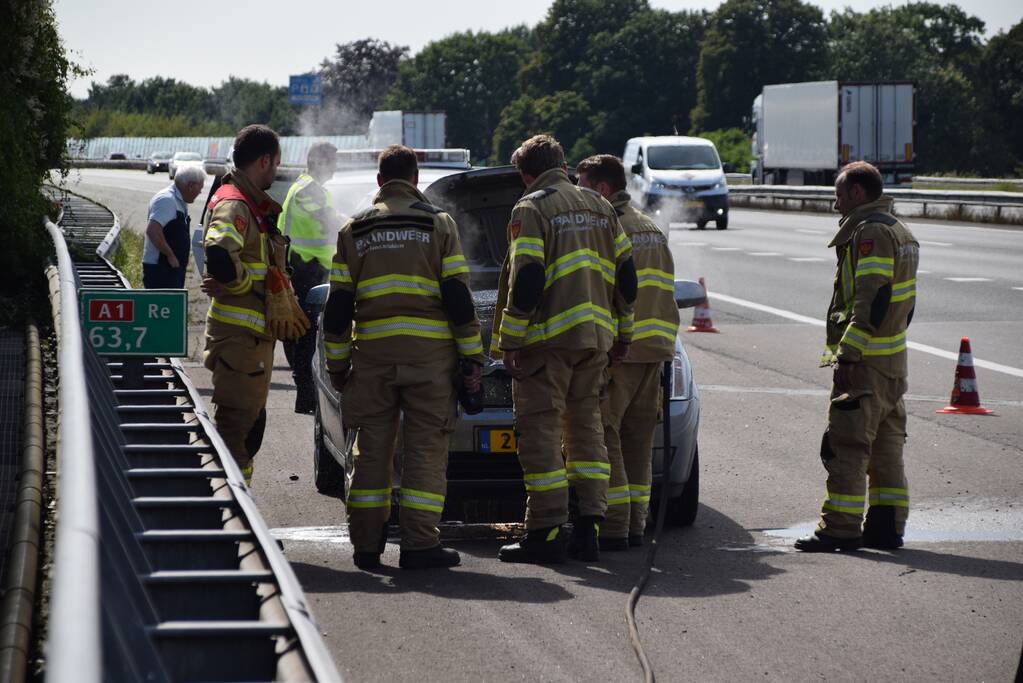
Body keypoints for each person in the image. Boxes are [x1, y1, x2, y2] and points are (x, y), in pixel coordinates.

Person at [322, 144, 483, 571]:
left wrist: (338, 366)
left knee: (370, 453)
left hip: (372, 360)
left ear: (380, 182)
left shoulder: (353, 231)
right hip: (430, 362)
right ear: (415, 180)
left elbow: (338, 307)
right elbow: (457, 299)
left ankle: (366, 547)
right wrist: (472, 358)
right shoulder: (438, 225)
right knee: (426, 451)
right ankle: (418, 544)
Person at [495, 135, 637, 565]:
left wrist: (510, 339)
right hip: (594, 340)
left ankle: (547, 530)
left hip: (548, 344)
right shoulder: (600, 206)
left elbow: (528, 281)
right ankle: (589, 527)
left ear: (526, 173)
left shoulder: (532, 207)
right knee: (587, 431)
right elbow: (627, 280)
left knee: (540, 435)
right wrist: (623, 334)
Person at [796, 161, 919, 552]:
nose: (835, 203)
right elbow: (904, 306)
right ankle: (886, 528)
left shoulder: (871, 233)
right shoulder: (900, 230)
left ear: (858, 193)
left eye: (839, 194)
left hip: (865, 362)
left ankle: (840, 528)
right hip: (892, 361)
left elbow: (872, 299)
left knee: (846, 445)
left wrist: (848, 356)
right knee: (886, 451)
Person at [576, 154, 679, 551]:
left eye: (583, 185)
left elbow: (606, 292)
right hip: (654, 350)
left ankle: (615, 525)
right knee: (638, 439)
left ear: (602, 188)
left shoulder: (607, 227)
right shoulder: (652, 227)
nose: (579, 195)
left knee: (604, 433)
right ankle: (636, 523)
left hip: (622, 350)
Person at [201, 124, 308, 485]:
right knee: (238, 435)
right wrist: (255, 286)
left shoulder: (250, 204)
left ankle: (237, 511)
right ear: (264, 161)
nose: (276, 172)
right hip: (239, 342)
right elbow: (218, 253)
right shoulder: (235, 203)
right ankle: (229, 520)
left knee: (249, 432)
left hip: (249, 343)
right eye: (275, 164)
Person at [278, 142, 345, 414]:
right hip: (306, 268)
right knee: (306, 338)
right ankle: (306, 400)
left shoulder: (307, 187)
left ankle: (307, 398)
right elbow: (330, 221)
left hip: (308, 267)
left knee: (305, 337)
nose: (336, 168)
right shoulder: (309, 189)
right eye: (333, 162)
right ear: (319, 162)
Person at [142, 165, 205, 288]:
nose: (200, 192)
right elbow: (153, 230)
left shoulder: (179, 200)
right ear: (190, 186)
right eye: (200, 187)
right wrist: (170, 255)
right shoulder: (167, 200)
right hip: (161, 269)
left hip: (171, 268)